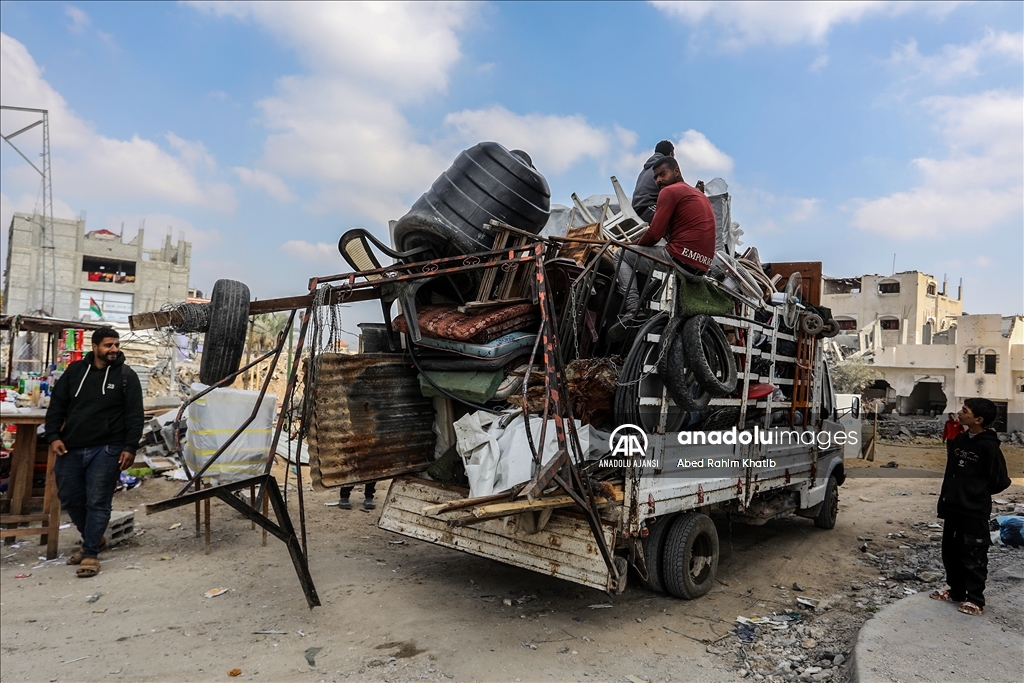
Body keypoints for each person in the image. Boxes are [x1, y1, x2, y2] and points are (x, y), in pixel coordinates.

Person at [44, 327, 144, 578]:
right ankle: (95, 538)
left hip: (108, 448)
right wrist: (53, 436)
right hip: (71, 446)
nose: (114, 349)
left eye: (116, 345)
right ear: (95, 347)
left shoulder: (126, 376)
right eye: (108, 345)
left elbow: (135, 415)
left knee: (98, 500)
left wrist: (130, 447)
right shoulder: (76, 371)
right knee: (69, 498)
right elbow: (57, 404)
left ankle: (90, 553)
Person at [930, 398, 1011, 615]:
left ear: (978, 419)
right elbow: (951, 473)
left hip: (973, 511)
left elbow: (1000, 481)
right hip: (953, 507)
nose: (959, 412)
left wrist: (975, 494)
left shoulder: (988, 446)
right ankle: (956, 591)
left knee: (973, 552)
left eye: (965, 410)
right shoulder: (960, 440)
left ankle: (975, 599)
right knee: (950, 550)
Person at [616, 155, 717, 314]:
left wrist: (634, 244)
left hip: (679, 262)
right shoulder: (699, 195)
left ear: (677, 171)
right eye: (655, 177)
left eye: (663, 174)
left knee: (621, 254)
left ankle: (633, 308)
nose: (658, 180)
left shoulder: (669, 191)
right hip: (701, 269)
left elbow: (655, 234)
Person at [631, 140, 675, 222]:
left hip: (635, 212)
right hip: (647, 210)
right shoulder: (664, 169)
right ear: (671, 154)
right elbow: (676, 192)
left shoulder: (644, 170)